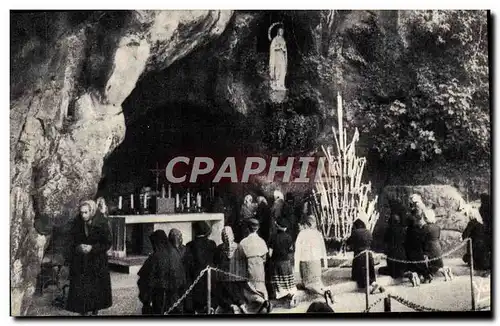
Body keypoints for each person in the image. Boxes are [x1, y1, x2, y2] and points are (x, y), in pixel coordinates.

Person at [66, 200, 112, 315]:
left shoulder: (102, 222)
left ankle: (95, 311)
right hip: (81, 261)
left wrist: (93, 248)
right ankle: (83, 311)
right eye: (81, 213)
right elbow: (71, 241)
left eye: (86, 212)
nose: (83, 215)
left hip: (97, 261)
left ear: (91, 211)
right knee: (82, 288)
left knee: (96, 288)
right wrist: (78, 247)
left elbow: (107, 243)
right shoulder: (77, 223)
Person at [137, 230, 187, 315]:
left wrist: (146, 300)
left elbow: (145, 279)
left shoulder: (155, 257)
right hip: (176, 297)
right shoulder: (175, 253)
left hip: (160, 299)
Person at [294, 215, 333, 305]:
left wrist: (296, 268)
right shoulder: (318, 234)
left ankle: (323, 293)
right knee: (317, 281)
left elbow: (297, 251)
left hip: (306, 261)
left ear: (306, 224)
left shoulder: (302, 234)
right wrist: (325, 264)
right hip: (317, 261)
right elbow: (323, 249)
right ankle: (327, 290)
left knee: (308, 284)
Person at [183, 221, 217, 313]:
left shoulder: (190, 245)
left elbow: (188, 264)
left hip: (196, 277)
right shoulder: (212, 244)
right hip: (211, 277)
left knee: (198, 304)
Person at [238, 218, 271, 313]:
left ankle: (258, 302)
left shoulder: (243, 242)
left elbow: (241, 257)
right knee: (260, 284)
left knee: (250, 286)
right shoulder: (261, 241)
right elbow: (265, 257)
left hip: (249, 265)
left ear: (247, 229)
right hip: (259, 266)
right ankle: (263, 300)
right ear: (258, 228)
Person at [213, 226, 248, 314]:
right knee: (238, 293)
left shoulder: (219, 248)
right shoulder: (239, 247)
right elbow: (244, 263)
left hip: (224, 278)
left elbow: (216, 261)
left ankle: (232, 306)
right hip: (237, 277)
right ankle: (241, 305)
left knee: (223, 294)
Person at [347, 216, 384, 294]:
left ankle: (371, 286)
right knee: (370, 272)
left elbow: (348, 242)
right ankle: (374, 283)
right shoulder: (368, 232)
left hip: (359, 256)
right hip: (369, 255)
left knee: (358, 276)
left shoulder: (355, 232)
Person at [404, 194, 432, 286]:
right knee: (419, 255)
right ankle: (425, 274)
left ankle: (421, 274)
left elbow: (417, 217)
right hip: (419, 229)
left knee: (414, 255)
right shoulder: (419, 206)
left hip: (416, 227)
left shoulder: (418, 207)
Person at [268, 218, 296, 305]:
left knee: (279, 280)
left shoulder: (273, 237)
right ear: (285, 228)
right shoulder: (289, 237)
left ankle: (282, 296)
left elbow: (270, 253)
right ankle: (290, 295)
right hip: (286, 262)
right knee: (287, 280)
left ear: (277, 226)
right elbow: (291, 250)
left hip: (277, 262)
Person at [422, 209, 453, 281]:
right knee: (438, 263)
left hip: (429, 247)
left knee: (431, 265)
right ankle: (447, 271)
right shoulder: (437, 227)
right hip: (437, 246)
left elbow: (423, 238)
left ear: (426, 218)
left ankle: (439, 273)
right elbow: (438, 237)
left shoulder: (425, 227)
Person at [462, 202, 490, 274]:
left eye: (470, 214)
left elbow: (465, 235)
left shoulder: (472, 223)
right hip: (483, 249)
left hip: (475, 248)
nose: (469, 215)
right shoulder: (481, 223)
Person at [379, 214, 407, 279]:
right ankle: (406, 273)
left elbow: (385, 241)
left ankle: (404, 274)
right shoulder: (402, 230)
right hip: (401, 253)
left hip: (392, 253)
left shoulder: (389, 230)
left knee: (381, 270)